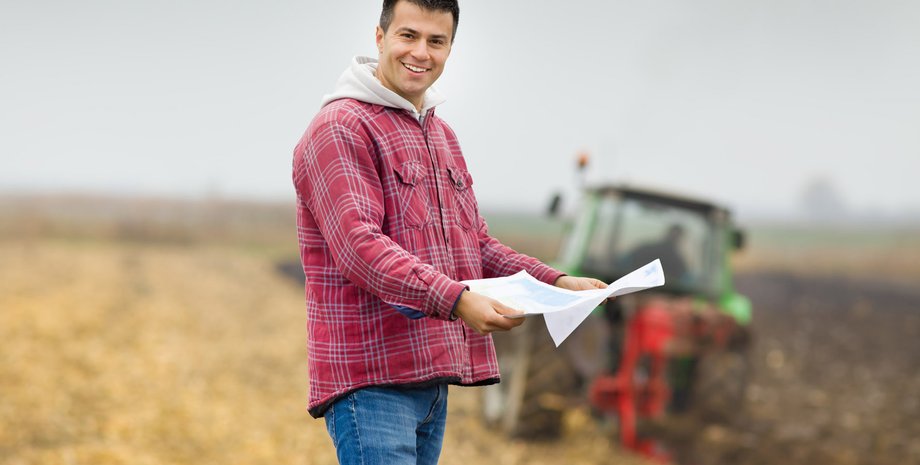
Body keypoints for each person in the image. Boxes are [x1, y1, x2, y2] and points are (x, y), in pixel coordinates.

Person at [291, 1, 605, 463]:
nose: (421, 52)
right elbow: (360, 247)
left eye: (436, 41)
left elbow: (474, 244)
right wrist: (458, 300)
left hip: (431, 379)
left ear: (450, 49)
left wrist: (555, 282)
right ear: (380, 38)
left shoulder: (441, 136)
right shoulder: (341, 128)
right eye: (408, 36)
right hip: (372, 381)